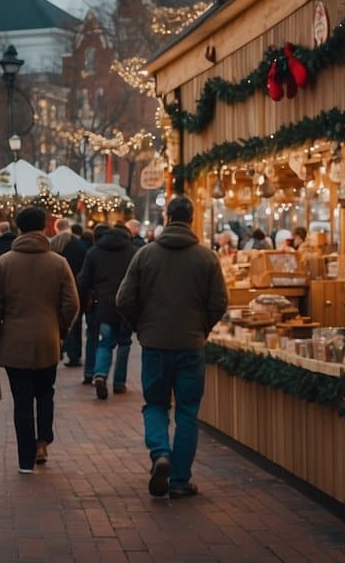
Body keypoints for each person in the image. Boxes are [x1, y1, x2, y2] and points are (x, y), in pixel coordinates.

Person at [117, 196, 227, 499]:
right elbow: (219, 303)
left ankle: (160, 453)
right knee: (188, 413)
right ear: (191, 218)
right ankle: (179, 480)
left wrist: (142, 326)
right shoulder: (207, 258)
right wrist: (201, 328)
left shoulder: (146, 255)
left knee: (155, 404)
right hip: (191, 345)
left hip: (154, 345)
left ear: (167, 217)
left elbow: (123, 299)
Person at [0, 206, 79, 474]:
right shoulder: (58, 263)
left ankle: (26, 460)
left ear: (19, 228)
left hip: (14, 344)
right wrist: (59, 328)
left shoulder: (5, 262)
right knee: (46, 392)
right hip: (48, 340)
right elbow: (72, 303)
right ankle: (43, 441)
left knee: (22, 400)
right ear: (46, 227)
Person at [78, 223, 138, 400]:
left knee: (105, 342)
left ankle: (100, 374)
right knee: (124, 343)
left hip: (103, 305)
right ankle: (119, 383)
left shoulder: (94, 252)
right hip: (127, 306)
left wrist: (86, 300)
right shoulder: (133, 252)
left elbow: (83, 280)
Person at [52, 218, 91, 377]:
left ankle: (59, 349)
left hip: (56, 289)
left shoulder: (54, 244)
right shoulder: (79, 245)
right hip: (77, 289)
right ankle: (74, 354)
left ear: (57, 228)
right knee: (75, 322)